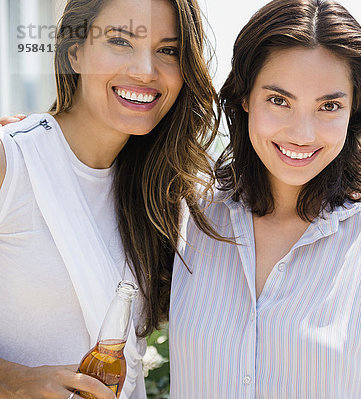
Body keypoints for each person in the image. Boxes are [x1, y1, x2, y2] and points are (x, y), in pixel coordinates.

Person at [169, 0, 361, 397]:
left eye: (328, 106)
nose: (302, 133)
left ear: (353, 113)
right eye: (279, 100)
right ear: (245, 98)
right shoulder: (191, 219)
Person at [0, 0, 223, 397]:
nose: (145, 71)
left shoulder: (164, 196)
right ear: (75, 54)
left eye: (168, 51)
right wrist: (11, 380)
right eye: (120, 41)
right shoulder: (12, 162)